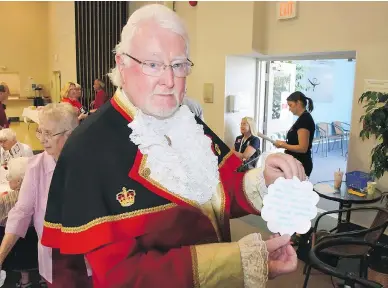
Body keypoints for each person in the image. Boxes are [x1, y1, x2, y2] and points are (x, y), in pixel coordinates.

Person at [41, 5, 305, 288]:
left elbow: (216, 197)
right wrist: (240, 262)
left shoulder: (186, 122)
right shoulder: (88, 148)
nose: (168, 81)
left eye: (178, 65)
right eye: (152, 64)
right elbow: (122, 278)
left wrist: (263, 179)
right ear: (121, 63)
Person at [0, 103, 90, 287]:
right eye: (40, 131)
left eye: (49, 133)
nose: (42, 139)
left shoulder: (92, 163)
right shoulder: (36, 166)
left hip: (90, 253)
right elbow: (21, 212)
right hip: (56, 257)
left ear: (70, 134)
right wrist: (1, 254)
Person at [0, 157, 38, 288]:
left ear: (19, 181)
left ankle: (24, 279)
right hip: (35, 249)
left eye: (10, 176)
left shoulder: (6, 200)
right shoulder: (40, 195)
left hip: (14, 249)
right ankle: (28, 279)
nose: (8, 178)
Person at [274, 91, 315, 177]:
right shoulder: (302, 119)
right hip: (295, 162)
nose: (289, 109)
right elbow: (295, 142)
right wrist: (283, 143)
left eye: (290, 105)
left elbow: (302, 148)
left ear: (298, 103)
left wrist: (283, 145)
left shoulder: (305, 120)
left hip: (301, 164)